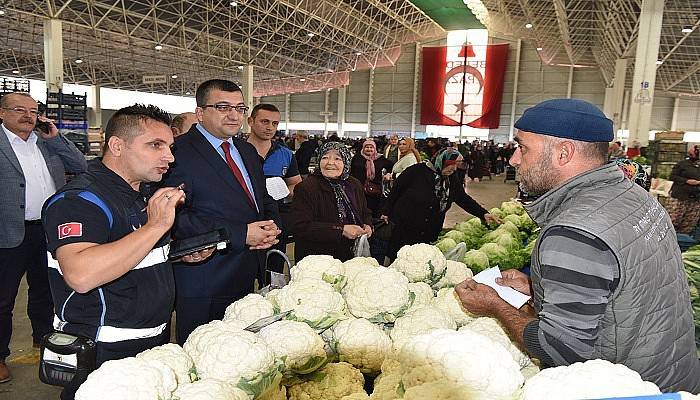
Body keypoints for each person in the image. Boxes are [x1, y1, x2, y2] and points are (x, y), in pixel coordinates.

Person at [455, 99, 700, 393]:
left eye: (523, 148)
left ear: (563, 152)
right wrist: (540, 288)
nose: (513, 160)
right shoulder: (632, 195)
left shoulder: (574, 231)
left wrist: (496, 305)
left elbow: (560, 350)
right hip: (671, 374)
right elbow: (624, 284)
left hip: (626, 390)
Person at [42, 104, 212, 400]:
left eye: (170, 146)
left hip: (147, 343)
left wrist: (176, 253)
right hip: (102, 353)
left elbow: (128, 253)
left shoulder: (137, 194)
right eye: (155, 145)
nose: (169, 158)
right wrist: (156, 226)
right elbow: (81, 274)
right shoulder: (79, 201)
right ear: (117, 145)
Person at [162, 79, 281, 344]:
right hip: (205, 277)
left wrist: (272, 225)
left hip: (247, 271)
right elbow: (173, 217)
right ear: (201, 113)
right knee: (202, 354)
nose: (233, 115)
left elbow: (261, 198)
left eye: (240, 108)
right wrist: (240, 234)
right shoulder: (177, 154)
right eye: (223, 107)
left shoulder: (246, 151)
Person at [0, 92, 87, 384]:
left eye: (33, 111)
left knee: (46, 291)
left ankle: (43, 341)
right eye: (19, 110)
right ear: (2, 113)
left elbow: (81, 165)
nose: (28, 116)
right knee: (3, 298)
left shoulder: (45, 142)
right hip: (8, 231)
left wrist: (55, 137)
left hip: (49, 229)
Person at [381, 149, 500, 261]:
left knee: (423, 264)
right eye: (451, 164)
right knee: (400, 260)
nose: (454, 169)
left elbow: (462, 198)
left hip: (429, 231)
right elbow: (395, 192)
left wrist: (483, 213)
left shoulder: (451, 178)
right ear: (441, 160)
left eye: (456, 165)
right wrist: (385, 212)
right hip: (405, 229)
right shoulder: (415, 171)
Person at [289, 142, 372, 262]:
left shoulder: (354, 184)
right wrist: (341, 230)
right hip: (318, 258)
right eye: (325, 157)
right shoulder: (306, 187)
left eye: (338, 158)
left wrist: (367, 224)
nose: (330, 163)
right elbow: (300, 226)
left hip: (349, 256)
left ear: (346, 162)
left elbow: (365, 211)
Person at [246, 103, 301, 273]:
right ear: (250, 121)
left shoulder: (285, 154)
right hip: (246, 220)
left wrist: (285, 191)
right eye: (264, 121)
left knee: (274, 269)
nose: (270, 127)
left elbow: (296, 183)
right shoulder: (236, 151)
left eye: (275, 123)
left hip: (276, 220)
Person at [350, 139, 393, 218]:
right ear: (363, 148)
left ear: (375, 148)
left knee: (373, 210)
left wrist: (389, 173)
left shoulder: (380, 158)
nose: (369, 149)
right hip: (358, 189)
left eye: (371, 147)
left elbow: (391, 166)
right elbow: (350, 170)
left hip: (374, 190)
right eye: (367, 147)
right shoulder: (357, 157)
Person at [667, 146, 700, 234]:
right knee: (673, 220)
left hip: (696, 199)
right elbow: (672, 176)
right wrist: (687, 181)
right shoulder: (683, 164)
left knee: (689, 223)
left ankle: (681, 241)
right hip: (680, 196)